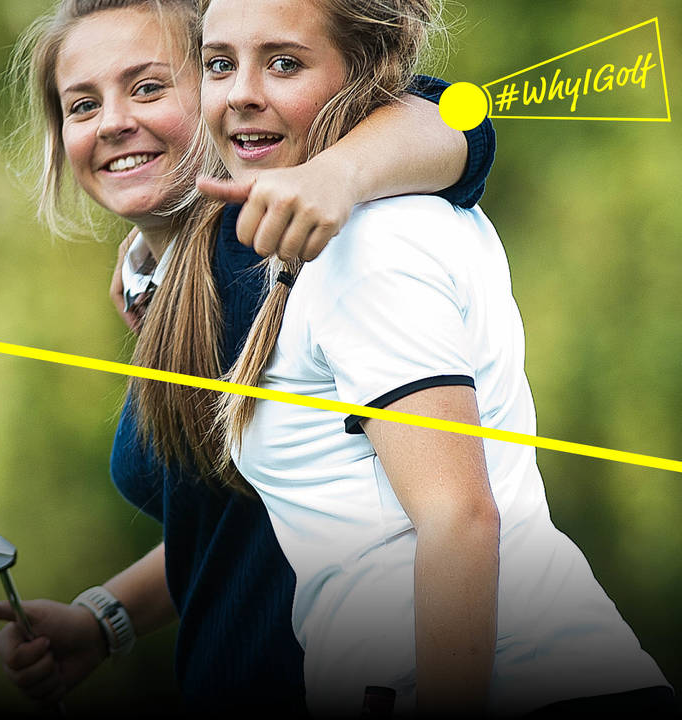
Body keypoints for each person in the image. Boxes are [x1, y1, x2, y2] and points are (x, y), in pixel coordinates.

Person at [127, 0, 669, 715]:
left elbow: (458, 519)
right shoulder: (329, 227)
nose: (242, 93)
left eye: (284, 62)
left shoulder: (371, 244)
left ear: (362, 75)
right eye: (221, 63)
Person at [0, 0, 495, 713]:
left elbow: (456, 120)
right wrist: (105, 620)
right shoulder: (173, 294)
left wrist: (338, 174)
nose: (114, 121)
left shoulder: (281, 249)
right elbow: (244, 516)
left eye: (149, 87)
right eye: (82, 104)